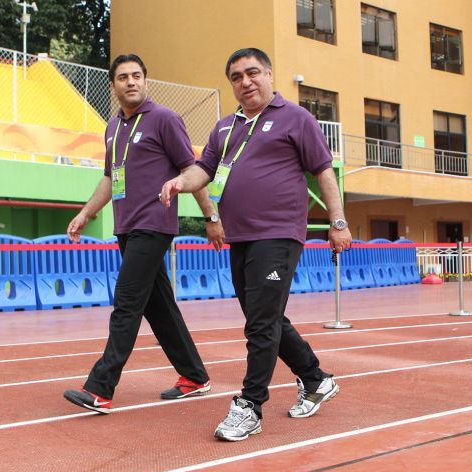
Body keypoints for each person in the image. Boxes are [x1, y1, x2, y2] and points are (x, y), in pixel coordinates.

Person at [160, 48, 353, 441]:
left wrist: (338, 222)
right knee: (266, 317)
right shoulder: (224, 128)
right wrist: (181, 181)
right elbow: (203, 170)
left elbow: (323, 172)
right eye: (236, 77)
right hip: (240, 237)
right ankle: (315, 378)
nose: (245, 82)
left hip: (278, 234)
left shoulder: (296, 118)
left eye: (252, 73)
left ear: (269, 74)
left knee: (261, 323)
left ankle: (249, 405)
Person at [62, 54, 221, 414]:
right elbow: (110, 178)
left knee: (127, 301)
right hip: (126, 225)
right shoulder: (112, 128)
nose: (131, 82)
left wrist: (210, 215)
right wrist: (86, 213)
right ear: (113, 85)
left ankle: (100, 388)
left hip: (154, 223)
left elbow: (191, 171)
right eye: (123, 77)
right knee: (158, 305)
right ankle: (194, 375)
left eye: (136, 75)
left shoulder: (165, 119)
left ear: (145, 81)